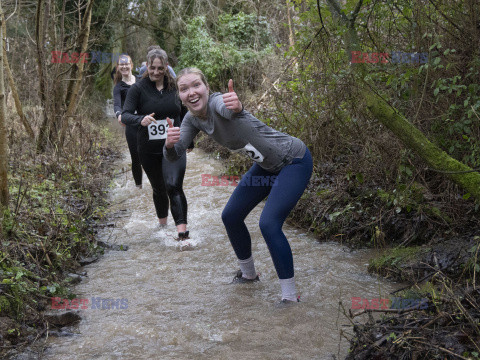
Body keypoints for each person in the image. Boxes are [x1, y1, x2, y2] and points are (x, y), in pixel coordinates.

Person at [164, 68, 313, 303]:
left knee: (268, 224)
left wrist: (237, 107)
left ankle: (290, 296)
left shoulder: (218, 104)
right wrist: (170, 146)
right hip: (266, 168)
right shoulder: (191, 120)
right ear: (180, 96)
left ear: (207, 88)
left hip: (293, 161)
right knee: (231, 216)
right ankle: (249, 275)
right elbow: (175, 154)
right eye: (184, 89)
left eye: (196, 86)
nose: (191, 93)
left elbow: (229, 108)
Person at [122, 49, 190, 240]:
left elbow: (185, 111)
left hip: (174, 145)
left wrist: (190, 139)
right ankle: (163, 226)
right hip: (148, 148)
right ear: (147, 66)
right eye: (153, 68)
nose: (157, 72)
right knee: (159, 188)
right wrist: (140, 119)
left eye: (161, 68)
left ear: (167, 67)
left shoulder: (175, 87)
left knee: (174, 185)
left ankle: (182, 233)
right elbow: (126, 115)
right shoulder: (138, 88)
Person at [113, 54, 143, 189]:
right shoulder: (118, 87)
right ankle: (139, 188)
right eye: (121, 64)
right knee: (136, 158)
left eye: (127, 64)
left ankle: (157, 183)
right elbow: (117, 105)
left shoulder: (142, 81)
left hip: (146, 121)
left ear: (131, 65)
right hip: (131, 124)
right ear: (118, 68)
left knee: (151, 154)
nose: (124, 66)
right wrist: (119, 115)